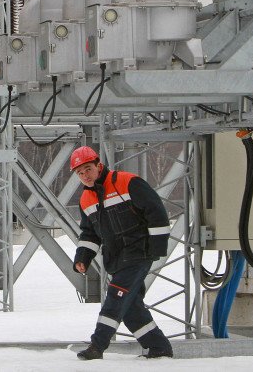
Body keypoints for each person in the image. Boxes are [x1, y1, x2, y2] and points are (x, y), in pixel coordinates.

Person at [70, 145, 174, 360]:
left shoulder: (127, 182)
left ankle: (97, 346)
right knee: (129, 307)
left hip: (138, 253)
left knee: (115, 298)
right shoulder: (85, 200)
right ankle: (158, 347)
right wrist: (82, 257)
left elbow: (157, 212)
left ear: (99, 165)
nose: (85, 176)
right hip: (117, 258)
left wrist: (155, 249)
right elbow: (89, 233)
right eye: (80, 173)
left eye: (88, 169)